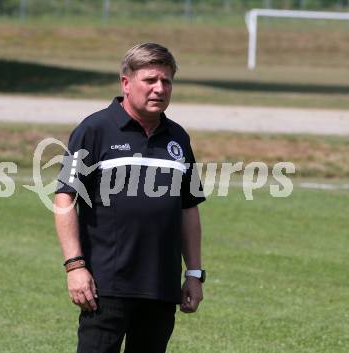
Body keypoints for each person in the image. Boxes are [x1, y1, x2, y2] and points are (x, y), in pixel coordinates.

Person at [54, 43, 206, 353]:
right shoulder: (93, 130)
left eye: (166, 81)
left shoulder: (178, 137)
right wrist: (75, 267)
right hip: (105, 286)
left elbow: (188, 209)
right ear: (126, 83)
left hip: (161, 288)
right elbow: (64, 198)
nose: (159, 89)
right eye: (150, 80)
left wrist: (193, 273)